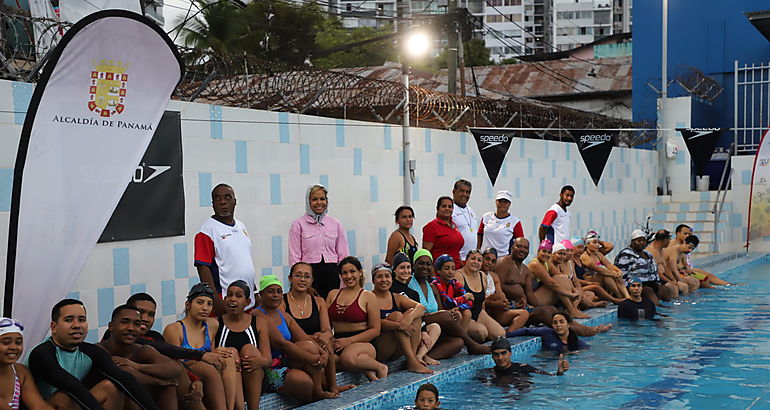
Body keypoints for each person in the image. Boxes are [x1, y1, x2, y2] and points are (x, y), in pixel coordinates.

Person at [28, 299, 158, 410]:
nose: (77, 325)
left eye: (81, 319)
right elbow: (72, 386)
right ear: (54, 327)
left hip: (75, 399)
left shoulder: (91, 351)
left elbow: (124, 379)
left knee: (111, 387)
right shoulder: (41, 353)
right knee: (63, 397)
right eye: (69, 320)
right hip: (45, 405)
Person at [116, 293, 227, 410]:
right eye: (141, 312)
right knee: (172, 378)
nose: (145, 318)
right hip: (132, 390)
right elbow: (164, 349)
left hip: (161, 387)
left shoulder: (154, 336)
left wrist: (196, 380)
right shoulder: (120, 335)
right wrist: (202, 355)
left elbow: (173, 361)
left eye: (151, 314)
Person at [254, 275, 338, 403]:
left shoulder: (283, 314)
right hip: (271, 369)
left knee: (318, 346)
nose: (275, 295)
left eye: (279, 291)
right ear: (261, 294)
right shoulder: (258, 315)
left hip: (287, 360)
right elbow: (283, 344)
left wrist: (323, 353)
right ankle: (314, 397)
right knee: (304, 382)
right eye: (270, 291)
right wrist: (315, 359)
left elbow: (304, 338)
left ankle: (324, 390)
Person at [163, 283, 240, 410]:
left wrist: (218, 352)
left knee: (229, 360)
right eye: (200, 302)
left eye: (209, 304)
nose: (205, 308)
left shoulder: (212, 325)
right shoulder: (174, 329)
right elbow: (176, 365)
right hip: (184, 375)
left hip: (209, 375)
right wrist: (203, 358)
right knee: (206, 368)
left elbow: (212, 354)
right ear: (188, 305)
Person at [281, 263, 353, 396]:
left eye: (306, 276)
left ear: (312, 281)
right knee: (312, 345)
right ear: (290, 278)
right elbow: (287, 333)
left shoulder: (319, 302)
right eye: (298, 275)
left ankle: (333, 386)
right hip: (296, 352)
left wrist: (322, 337)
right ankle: (322, 389)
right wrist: (314, 339)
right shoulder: (282, 302)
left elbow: (326, 329)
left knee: (326, 341)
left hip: (319, 348)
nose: (302, 279)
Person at [98, 305, 189, 410]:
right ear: (111, 326)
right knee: (125, 390)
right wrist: (157, 381)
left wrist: (137, 366)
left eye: (136, 324)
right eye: (125, 322)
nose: (131, 328)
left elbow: (175, 368)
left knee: (168, 381)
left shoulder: (142, 349)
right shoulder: (98, 350)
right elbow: (123, 374)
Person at [409, 249, 489, 356]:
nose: (425, 266)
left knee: (458, 342)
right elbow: (448, 304)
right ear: (414, 265)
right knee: (448, 315)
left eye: (428, 264)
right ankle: (471, 345)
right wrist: (463, 300)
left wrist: (457, 309)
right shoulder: (411, 284)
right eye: (421, 263)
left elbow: (442, 309)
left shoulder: (432, 287)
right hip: (420, 324)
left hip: (434, 325)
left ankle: (424, 356)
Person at [194, 183, 256, 315]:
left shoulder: (241, 226)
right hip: (226, 302)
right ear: (212, 204)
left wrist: (254, 292)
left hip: (246, 301)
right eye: (218, 198)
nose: (222, 202)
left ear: (235, 201)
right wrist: (216, 301)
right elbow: (203, 267)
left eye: (227, 197)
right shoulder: (206, 231)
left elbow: (244, 263)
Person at [326, 257, 389, 381]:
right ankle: (370, 374)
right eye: (344, 273)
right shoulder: (332, 294)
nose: (349, 276)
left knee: (347, 358)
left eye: (352, 271)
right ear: (340, 275)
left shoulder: (368, 296)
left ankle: (381, 368)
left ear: (360, 272)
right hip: (339, 341)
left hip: (363, 342)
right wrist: (330, 340)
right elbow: (328, 326)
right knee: (326, 359)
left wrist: (348, 341)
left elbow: (375, 330)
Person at [216, 281, 272, 410]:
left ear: (247, 302)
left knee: (250, 350)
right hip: (228, 382)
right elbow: (211, 352)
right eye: (229, 295)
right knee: (231, 352)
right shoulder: (216, 323)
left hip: (254, 379)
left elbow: (267, 360)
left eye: (238, 295)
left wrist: (259, 361)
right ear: (224, 299)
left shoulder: (259, 322)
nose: (233, 299)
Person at [289, 184, 350, 298]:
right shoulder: (298, 224)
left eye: (322, 199)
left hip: (332, 274)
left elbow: (343, 254)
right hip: (309, 275)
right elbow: (294, 256)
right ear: (308, 202)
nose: (319, 203)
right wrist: (301, 280)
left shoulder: (335, 223)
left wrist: (344, 278)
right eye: (314, 199)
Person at [370, 263, 433, 374]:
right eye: (379, 277)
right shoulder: (369, 298)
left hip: (398, 349)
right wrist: (399, 324)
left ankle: (411, 359)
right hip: (381, 348)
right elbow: (374, 323)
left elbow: (421, 307)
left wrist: (408, 319)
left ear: (392, 279)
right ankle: (412, 361)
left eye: (387, 276)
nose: (384, 280)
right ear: (373, 280)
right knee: (396, 316)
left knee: (412, 313)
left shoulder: (396, 297)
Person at [0, 318, 52, 410]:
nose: (13, 347)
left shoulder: (20, 372)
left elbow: (40, 406)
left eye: (18, 342)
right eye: (6, 342)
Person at [528, 240, 589, 319]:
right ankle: (572, 310)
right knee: (558, 280)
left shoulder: (547, 263)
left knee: (561, 278)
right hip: (532, 301)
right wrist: (570, 294)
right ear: (538, 252)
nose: (546, 254)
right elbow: (551, 283)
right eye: (544, 251)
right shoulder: (535, 264)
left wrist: (574, 292)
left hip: (542, 297)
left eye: (549, 252)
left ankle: (572, 308)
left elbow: (560, 276)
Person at [477, 337, 568, 388]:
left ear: (510, 353)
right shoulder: (487, 373)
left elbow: (549, 376)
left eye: (503, 353)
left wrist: (559, 373)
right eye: (496, 354)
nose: (500, 358)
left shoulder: (524, 368)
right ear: (492, 356)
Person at [456, 250, 506, 342]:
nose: (476, 262)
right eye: (473, 259)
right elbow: (454, 301)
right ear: (466, 260)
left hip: (478, 312)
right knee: (482, 333)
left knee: (500, 335)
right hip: (464, 315)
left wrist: (485, 319)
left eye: (479, 260)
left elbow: (482, 301)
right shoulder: (459, 276)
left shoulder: (482, 276)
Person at [614, 230, 677, 304]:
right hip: (637, 285)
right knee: (648, 290)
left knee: (665, 290)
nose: (641, 243)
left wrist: (658, 283)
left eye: (643, 241)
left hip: (651, 282)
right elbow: (622, 275)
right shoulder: (626, 254)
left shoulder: (647, 254)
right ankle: (658, 310)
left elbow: (654, 271)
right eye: (638, 241)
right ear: (632, 242)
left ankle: (670, 309)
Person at [481, 248, 530, 333]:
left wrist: (509, 304)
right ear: (482, 259)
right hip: (483, 311)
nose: (489, 263)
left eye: (492, 261)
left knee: (524, 314)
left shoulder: (494, 276)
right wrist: (495, 303)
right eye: (487, 259)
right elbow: (479, 301)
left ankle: (508, 334)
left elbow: (501, 295)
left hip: (496, 312)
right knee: (497, 296)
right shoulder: (476, 275)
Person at [668, 224, 734, 286]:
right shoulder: (672, 245)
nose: (687, 235)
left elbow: (685, 262)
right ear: (678, 233)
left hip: (687, 269)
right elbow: (670, 263)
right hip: (680, 271)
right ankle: (716, 288)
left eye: (689, 234)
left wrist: (688, 268)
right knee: (703, 280)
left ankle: (727, 284)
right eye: (685, 234)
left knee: (708, 276)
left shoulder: (685, 245)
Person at [580, 232, 630, 300]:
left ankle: (627, 297)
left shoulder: (598, 254)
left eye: (598, 243)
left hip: (599, 279)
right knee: (607, 275)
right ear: (587, 244)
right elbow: (598, 269)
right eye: (594, 242)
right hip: (590, 280)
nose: (597, 245)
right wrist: (613, 274)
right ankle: (619, 296)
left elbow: (609, 265)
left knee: (616, 275)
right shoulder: (584, 256)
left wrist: (618, 271)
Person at [507, 311, 588, 352]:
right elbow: (526, 331)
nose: (558, 325)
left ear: (569, 325)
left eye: (561, 322)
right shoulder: (547, 333)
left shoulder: (577, 342)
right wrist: (508, 335)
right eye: (555, 323)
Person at [477, 190, 524, 257]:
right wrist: (478, 251)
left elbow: (520, 242)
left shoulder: (515, 221)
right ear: (496, 202)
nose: (502, 204)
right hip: (485, 257)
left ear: (509, 204)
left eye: (505, 202)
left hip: (503, 259)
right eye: (500, 201)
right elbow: (479, 235)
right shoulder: (486, 217)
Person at [423, 196, 464, 265]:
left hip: (456, 271)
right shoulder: (431, 226)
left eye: (450, 206)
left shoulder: (454, 226)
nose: (447, 209)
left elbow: (456, 251)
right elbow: (426, 254)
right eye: (444, 206)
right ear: (437, 208)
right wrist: (432, 273)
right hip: (440, 272)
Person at [645, 229, 687, 297]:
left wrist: (673, 279)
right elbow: (658, 273)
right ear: (664, 240)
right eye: (669, 240)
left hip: (663, 278)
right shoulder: (651, 252)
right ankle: (674, 305)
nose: (669, 242)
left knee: (684, 286)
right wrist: (670, 282)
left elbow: (666, 268)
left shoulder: (661, 250)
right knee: (674, 288)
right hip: (655, 280)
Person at [451, 179, 479, 264]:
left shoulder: (471, 211)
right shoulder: (450, 210)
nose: (465, 194)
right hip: (457, 259)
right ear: (454, 192)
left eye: (468, 192)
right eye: (462, 191)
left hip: (471, 259)